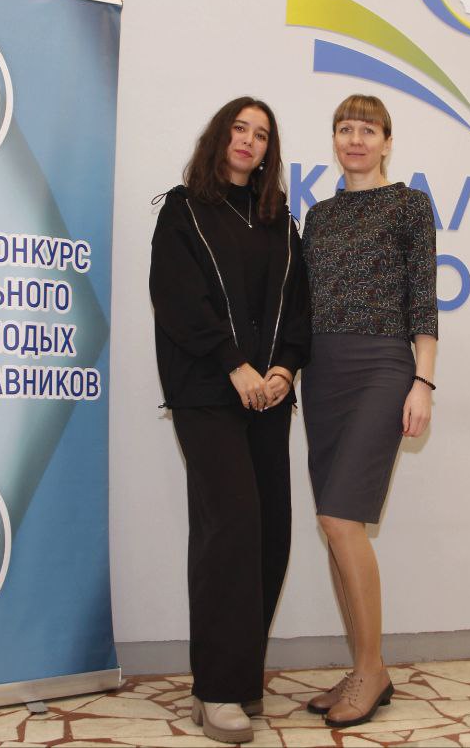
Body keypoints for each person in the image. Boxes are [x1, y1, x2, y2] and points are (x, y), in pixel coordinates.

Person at [150, 96, 310, 744]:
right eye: (240, 128)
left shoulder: (280, 223)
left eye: (261, 134)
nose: (249, 140)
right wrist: (233, 365)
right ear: (220, 136)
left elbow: (298, 308)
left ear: (269, 151)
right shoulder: (184, 210)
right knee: (232, 527)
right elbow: (178, 301)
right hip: (207, 393)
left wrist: (285, 370)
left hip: (268, 397)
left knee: (271, 534)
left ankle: (237, 680)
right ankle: (217, 689)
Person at [299, 94, 437, 728]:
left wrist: (422, 382)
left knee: (339, 515)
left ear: (386, 141)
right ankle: (362, 667)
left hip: (382, 366)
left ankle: (373, 669)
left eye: (368, 130)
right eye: (344, 128)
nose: (355, 139)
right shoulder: (319, 216)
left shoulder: (409, 205)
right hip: (322, 372)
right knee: (335, 525)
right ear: (334, 139)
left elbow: (423, 302)